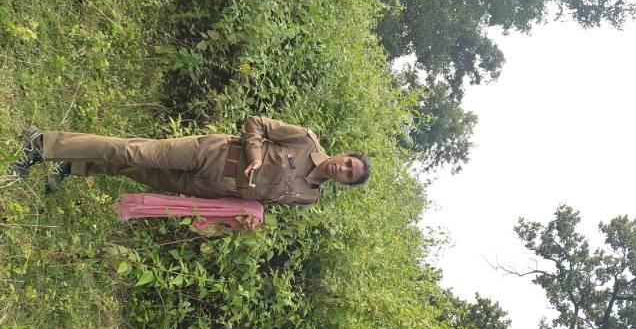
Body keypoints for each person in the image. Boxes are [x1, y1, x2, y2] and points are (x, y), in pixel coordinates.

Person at [10, 118, 371, 205]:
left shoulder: (309, 197)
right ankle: (42, 143)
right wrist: (255, 155)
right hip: (214, 153)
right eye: (348, 163)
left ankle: (73, 165)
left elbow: (262, 201)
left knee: (138, 171)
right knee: (134, 151)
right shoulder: (305, 140)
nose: (342, 169)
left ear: (344, 184)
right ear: (345, 154)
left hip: (211, 188)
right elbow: (255, 124)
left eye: (348, 175)